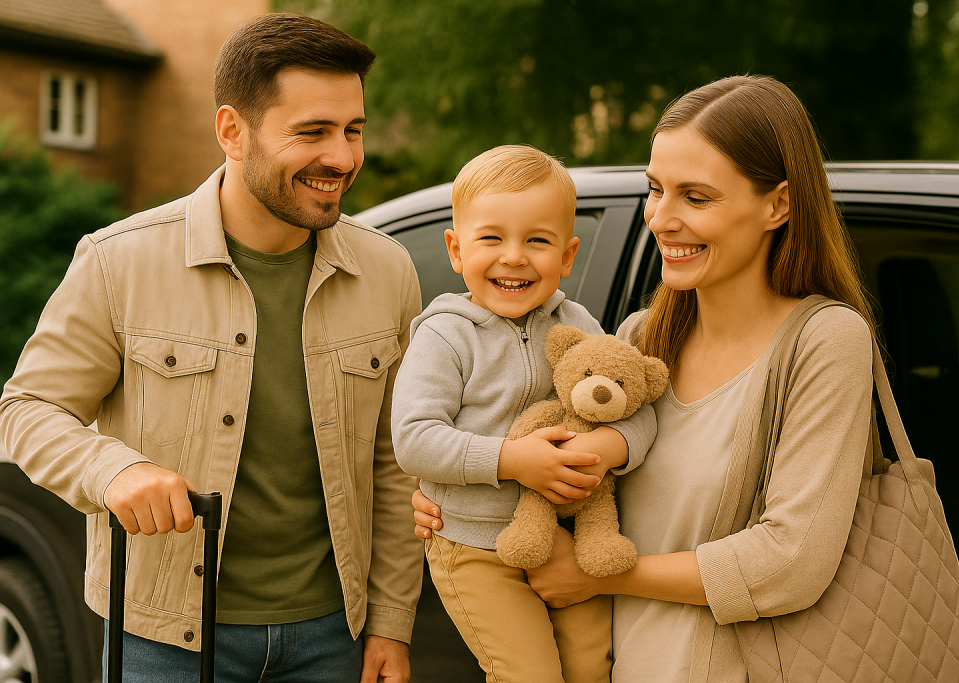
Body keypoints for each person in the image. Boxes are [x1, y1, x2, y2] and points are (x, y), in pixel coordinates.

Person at [412, 75, 878, 682]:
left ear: (778, 204)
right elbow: (522, 447)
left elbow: (790, 561)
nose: (660, 218)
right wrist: (459, 496)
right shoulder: (636, 342)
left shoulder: (824, 342)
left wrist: (602, 572)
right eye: (655, 190)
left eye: (696, 197)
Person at [0, 13, 422, 683]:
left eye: (352, 131)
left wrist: (392, 623)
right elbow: (25, 408)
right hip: (162, 637)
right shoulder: (119, 262)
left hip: (332, 634)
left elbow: (396, 461)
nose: (342, 157)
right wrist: (114, 469)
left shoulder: (391, 272)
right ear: (232, 130)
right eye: (312, 131)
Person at [390, 145, 658, 683]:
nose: (514, 257)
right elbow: (415, 439)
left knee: (593, 668)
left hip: (563, 541)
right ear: (456, 249)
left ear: (567, 255)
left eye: (537, 240)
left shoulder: (578, 323)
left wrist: (607, 448)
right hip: (471, 547)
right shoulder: (445, 335)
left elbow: (635, 407)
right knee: (527, 675)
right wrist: (512, 461)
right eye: (492, 238)